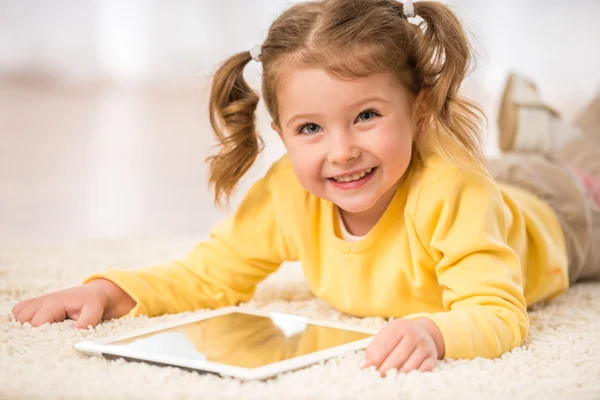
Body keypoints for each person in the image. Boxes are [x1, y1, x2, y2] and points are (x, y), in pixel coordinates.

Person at [11, 0, 600, 376]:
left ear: (420, 111)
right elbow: (210, 273)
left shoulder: (451, 191)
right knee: (526, 158)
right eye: (311, 129)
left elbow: (497, 312)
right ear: (282, 134)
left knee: (580, 167)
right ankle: (536, 132)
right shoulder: (289, 194)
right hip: (498, 183)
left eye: (366, 115)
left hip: (561, 215)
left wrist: (434, 330)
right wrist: (113, 292)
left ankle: (558, 141)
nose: (340, 150)